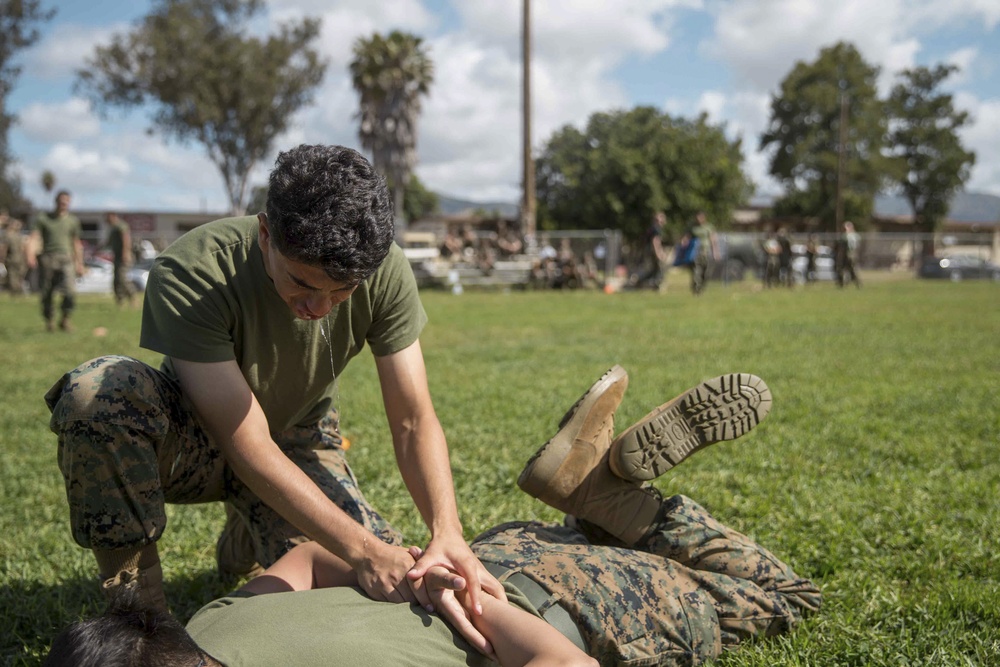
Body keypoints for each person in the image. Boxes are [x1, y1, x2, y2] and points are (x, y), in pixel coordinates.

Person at [44, 367, 820, 667]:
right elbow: (310, 557)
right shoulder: (210, 623)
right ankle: (595, 502)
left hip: (561, 602)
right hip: (483, 554)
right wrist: (427, 579)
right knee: (599, 542)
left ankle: (610, 502)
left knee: (786, 599)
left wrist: (471, 605)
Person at [43, 145, 503, 643]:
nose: (319, 307)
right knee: (97, 394)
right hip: (191, 441)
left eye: (341, 290)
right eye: (301, 283)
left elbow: (413, 419)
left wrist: (446, 530)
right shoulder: (194, 273)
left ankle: (251, 525)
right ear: (266, 233)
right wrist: (365, 551)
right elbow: (247, 445)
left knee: (382, 589)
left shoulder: (383, 269)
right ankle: (143, 622)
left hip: (298, 440)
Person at [26, 190, 84, 331]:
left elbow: (76, 243)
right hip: (48, 258)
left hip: (66, 258)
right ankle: (49, 321)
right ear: (56, 201)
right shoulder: (44, 218)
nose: (64, 203)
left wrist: (80, 263)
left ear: (69, 203)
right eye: (61, 200)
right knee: (47, 292)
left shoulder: (72, 221)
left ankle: (65, 319)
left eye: (66, 201)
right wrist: (30, 255)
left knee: (70, 291)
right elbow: (34, 237)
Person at [680, 212, 719, 296]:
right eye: (697, 217)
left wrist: (715, 252)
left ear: (704, 218)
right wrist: (683, 243)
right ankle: (696, 290)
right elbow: (686, 238)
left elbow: (713, 241)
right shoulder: (692, 228)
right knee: (696, 272)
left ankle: (701, 287)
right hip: (695, 253)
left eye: (700, 217)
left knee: (706, 273)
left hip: (706, 252)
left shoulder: (709, 227)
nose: (698, 219)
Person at [630, 211, 669, 291]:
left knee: (653, 269)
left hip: (648, 251)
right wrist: (659, 253)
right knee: (659, 268)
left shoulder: (653, 228)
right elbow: (655, 242)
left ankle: (640, 281)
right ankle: (654, 284)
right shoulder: (656, 229)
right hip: (652, 251)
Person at [102, 212, 135, 307]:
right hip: (117, 257)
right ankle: (120, 301)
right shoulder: (112, 229)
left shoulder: (121, 225)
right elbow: (108, 242)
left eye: (107, 218)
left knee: (122, 278)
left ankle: (133, 297)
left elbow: (126, 239)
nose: (106, 221)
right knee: (116, 280)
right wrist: (98, 248)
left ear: (112, 216)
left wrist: (126, 253)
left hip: (123, 256)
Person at [1, 213, 28, 296]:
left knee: (13, 276)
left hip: (12, 258)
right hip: (20, 259)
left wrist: (2, 259)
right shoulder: (19, 236)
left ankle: (15, 292)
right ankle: (18, 291)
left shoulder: (8, 236)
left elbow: (4, 248)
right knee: (18, 276)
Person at [835, 221, 861, 288]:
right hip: (853, 254)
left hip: (848, 254)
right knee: (851, 270)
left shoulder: (845, 236)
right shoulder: (856, 235)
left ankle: (844, 284)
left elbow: (841, 245)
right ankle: (856, 283)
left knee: (844, 269)